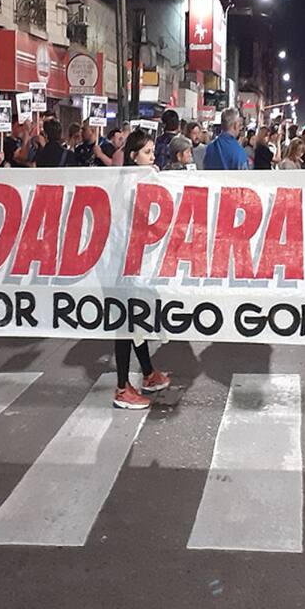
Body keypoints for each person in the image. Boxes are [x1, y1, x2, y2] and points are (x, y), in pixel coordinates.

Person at [114, 129, 172, 410]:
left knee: (136, 320)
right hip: (124, 265)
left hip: (135, 263)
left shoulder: (136, 180)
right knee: (126, 324)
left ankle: (148, 373)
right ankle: (122, 388)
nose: (152, 157)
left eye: (152, 152)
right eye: (147, 153)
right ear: (133, 156)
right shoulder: (129, 185)